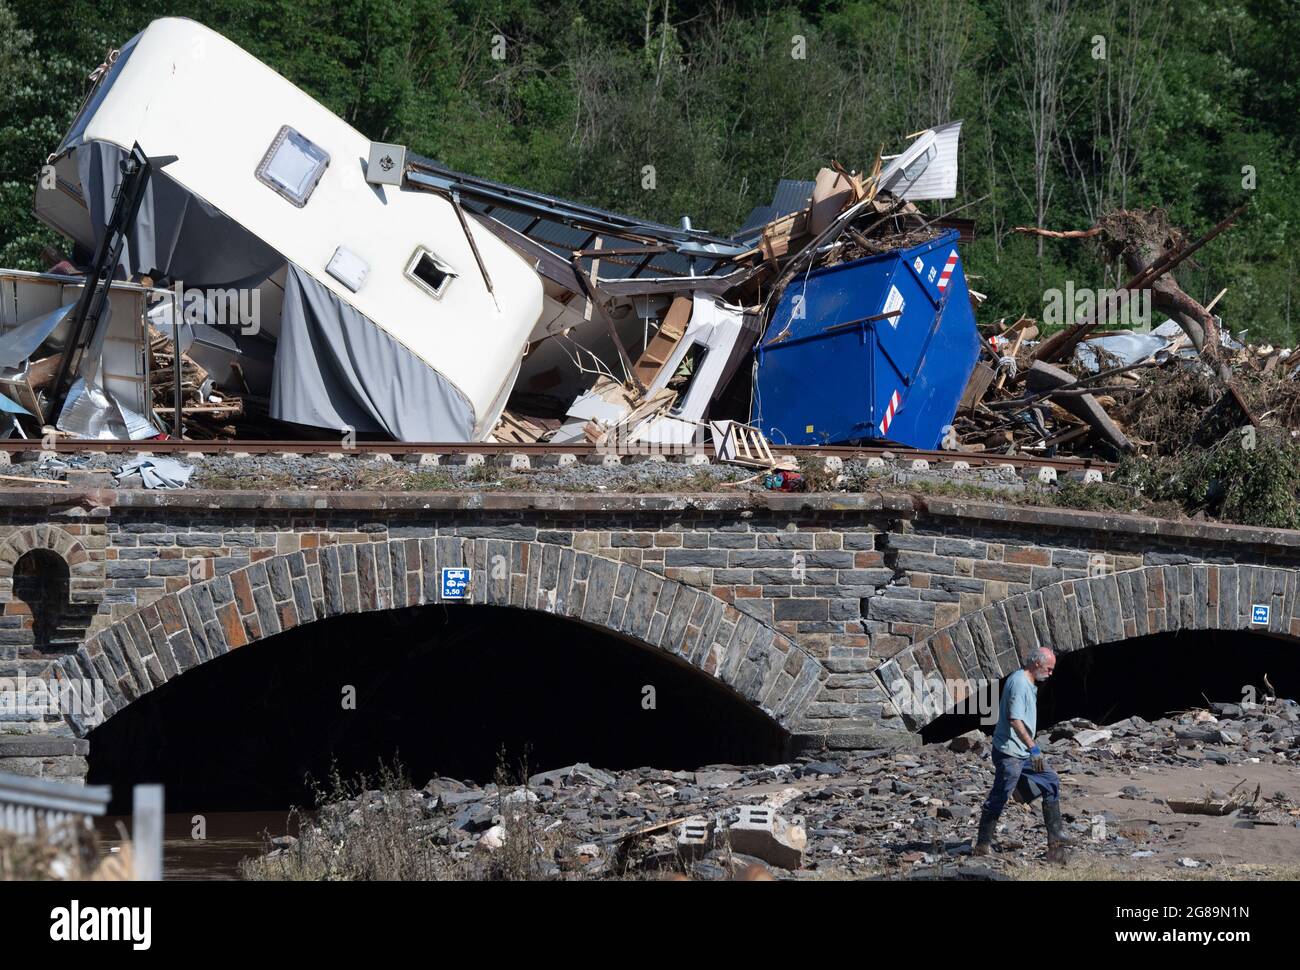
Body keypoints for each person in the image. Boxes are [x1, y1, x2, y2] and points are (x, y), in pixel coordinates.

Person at [974, 646, 1071, 863]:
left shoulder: (1029, 682)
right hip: (1011, 752)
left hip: (1023, 751)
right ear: (1037, 664)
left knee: (1050, 781)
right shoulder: (1019, 683)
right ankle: (982, 844)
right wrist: (1033, 748)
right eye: (1049, 668)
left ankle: (1056, 838)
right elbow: (1014, 719)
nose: (1051, 673)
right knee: (999, 796)